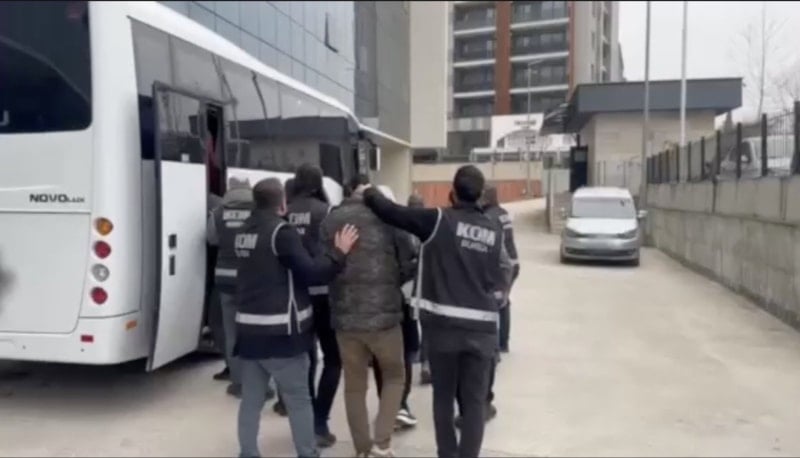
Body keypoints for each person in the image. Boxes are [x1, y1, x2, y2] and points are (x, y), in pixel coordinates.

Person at [358, 165, 513, 458]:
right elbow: (506, 269)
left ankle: (447, 454)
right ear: (481, 195)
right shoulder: (494, 230)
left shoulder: (437, 220)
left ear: (452, 192)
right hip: (482, 331)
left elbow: (392, 212)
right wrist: (500, 297)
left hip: (443, 330)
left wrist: (369, 193)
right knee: (474, 404)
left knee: (443, 398)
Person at [234, 177, 359, 458]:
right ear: (281, 203)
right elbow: (312, 273)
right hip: (281, 335)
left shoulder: (244, 231)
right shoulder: (281, 233)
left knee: (251, 400)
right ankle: (307, 452)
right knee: (299, 399)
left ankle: (248, 452)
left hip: (249, 332)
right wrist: (339, 253)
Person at [320, 174, 415, 458]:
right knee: (395, 375)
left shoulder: (331, 220)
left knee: (354, 386)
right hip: (385, 318)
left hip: (345, 317)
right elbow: (408, 261)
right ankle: (382, 443)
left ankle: (362, 449)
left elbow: (325, 264)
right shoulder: (389, 218)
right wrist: (392, 283)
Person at [285, 164, 341, 447]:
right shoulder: (328, 212)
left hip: (295, 296)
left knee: (305, 360)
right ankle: (320, 422)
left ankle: (305, 421)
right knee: (333, 359)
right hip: (325, 294)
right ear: (319, 183)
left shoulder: (285, 212)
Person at [208, 177, 277, 399]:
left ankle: (238, 383)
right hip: (252, 280)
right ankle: (262, 385)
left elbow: (212, 239)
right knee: (257, 333)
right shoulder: (258, 212)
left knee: (231, 334)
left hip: (225, 281)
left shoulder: (217, 213)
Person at [373, 193, 424, 430]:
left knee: (381, 357)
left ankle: (387, 405)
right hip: (399, 303)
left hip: (373, 305)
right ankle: (400, 405)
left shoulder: (362, 231)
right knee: (405, 354)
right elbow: (408, 267)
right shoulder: (400, 232)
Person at [481, 186, 519, 353]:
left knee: (495, 301)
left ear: (486, 198)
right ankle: (504, 342)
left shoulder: (489, 216)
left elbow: (494, 244)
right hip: (513, 262)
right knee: (504, 301)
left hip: (503, 265)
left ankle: (497, 344)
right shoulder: (503, 213)